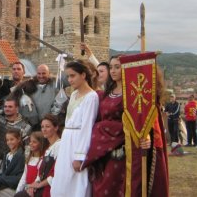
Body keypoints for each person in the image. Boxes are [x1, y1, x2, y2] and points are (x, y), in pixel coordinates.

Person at [82, 55, 169, 197]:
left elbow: (146, 119)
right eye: (111, 67)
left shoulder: (134, 93)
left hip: (126, 149)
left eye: (117, 67)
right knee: (105, 185)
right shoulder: (106, 94)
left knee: (123, 186)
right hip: (104, 147)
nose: (113, 71)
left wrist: (147, 136)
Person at [51, 60, 99, 197]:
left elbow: (87, 127)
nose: (69, 80)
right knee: (62, 180)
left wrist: (80, 156)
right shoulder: (73, 95)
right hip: (67, 141)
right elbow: (67, 121)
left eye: (73, 76)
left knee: (77, 183)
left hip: (78, 143)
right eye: (68, 76)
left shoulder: (91, 97)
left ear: (83, 75)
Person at [15, 64, 66, 130]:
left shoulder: (56, 85)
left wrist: (51, 120)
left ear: (49, 73)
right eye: (39, 73)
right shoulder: (29, 86)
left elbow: (61, 103)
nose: (41, 76)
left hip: (52, 126)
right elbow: (17, 101)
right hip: (34, 126)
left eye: (43, 73)